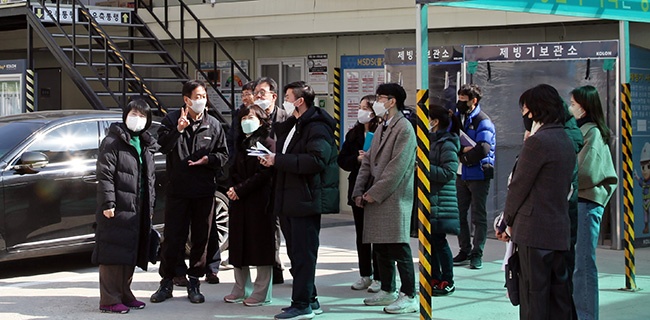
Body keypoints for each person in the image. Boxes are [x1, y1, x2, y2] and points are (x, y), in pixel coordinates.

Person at [260, 81, 339, 320]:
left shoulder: (317, 127)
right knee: (296, 252)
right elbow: (287, 153)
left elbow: (316, 160)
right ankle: (310, 299)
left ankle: (302, 303)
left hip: (305, 198)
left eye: (287, 96)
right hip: (290, 197)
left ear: (299, 101)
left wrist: (278, 160)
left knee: (304, 253)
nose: (284, 100)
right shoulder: (295, 125)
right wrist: (273, 159)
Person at [150, 80, 229, 304]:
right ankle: (167, 281)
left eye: (204, 96)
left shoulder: (213, 124)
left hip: (204, 191)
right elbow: (162, 147)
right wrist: (178, 130)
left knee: (201, 238)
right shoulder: (171, 120)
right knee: (173, 237)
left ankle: (195, 280)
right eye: (198, 96)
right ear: (186, 99)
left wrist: (209, 159)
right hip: (178, 191)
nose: (201, 100)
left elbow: (224, 155)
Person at [501, 84, 576, 320]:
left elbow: (518, 187)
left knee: (534, 298)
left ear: (535, 110)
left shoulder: (537, 142)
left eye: (525, 109)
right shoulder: (565, 139)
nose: (523, 114)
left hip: (534, 233)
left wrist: (506, 221)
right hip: (559, 230)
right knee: (559, 297)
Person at [352, 83, 418, 314]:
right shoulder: (382, 127)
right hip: (376, 197)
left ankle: (409, 294)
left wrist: (374, 193)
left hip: (394, 197)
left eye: (381, 98)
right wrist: (359, 191)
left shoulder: (405, 128)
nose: (377, 103)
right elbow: (368, 161)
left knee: (399, 247)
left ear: (392, 101)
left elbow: (396, 169)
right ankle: (388, 289)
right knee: (380, 246)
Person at [93, 99, 158, 313]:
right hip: (117, 205)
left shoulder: (145, 143)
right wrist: (108, 202)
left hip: (138, 207)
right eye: (134, 113)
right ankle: (109, 299)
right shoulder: (112, 141)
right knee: (113, 251)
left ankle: (125, 293)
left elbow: (149, 179)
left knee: (130, 250)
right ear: (125, 115)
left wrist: (150, 207)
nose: (137, 119)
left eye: (142, 115)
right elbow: (105, 174)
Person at [569, 85, 618, 320]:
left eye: (573, 103)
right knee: (577, 264)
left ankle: (587, 316)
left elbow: (585, 172)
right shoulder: (581, 130)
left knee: (583, 265)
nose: (571, 107)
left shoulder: (592, 133)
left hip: (586, 203)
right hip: (579, 203)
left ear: (584, 106)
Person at [223, 104, 277, 307]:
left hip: (259, 202)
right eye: (244, 117)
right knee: (238, 245)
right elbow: (232, 168)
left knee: (260, 245)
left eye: (251, 117)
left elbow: (264, 175)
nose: (246, 121)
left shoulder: (267, 143)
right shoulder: (240, 143)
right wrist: (231, 188)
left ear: (262, 121)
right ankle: (240, 288)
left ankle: (262, 291)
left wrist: (240, 189)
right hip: (238, 202)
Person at [337, 94, 383, 292]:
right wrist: (356, 159)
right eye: (360, 107)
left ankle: (380, 277)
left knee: (378, 236)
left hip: (377, 187)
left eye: (365, 108)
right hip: (357, 186)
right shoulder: (354, 133)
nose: (361, 111)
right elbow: (342, 159)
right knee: (361, 234)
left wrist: (370, 158)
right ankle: (365, 274)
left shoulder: (382, 131)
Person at [452, 84, 496, 270]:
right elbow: (450, 139)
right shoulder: (456, 118)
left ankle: (477, 253)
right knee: (459, 215)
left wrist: (464, 156)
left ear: (474, 100)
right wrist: (462, 151)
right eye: (459, 99)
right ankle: (465, 250)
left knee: (478, 216)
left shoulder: (482, 121)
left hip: (478, 174)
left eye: (464, 100)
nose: (460, 103)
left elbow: (483, 148)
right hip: (461, 174)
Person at [253, 76, 289, 284]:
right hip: (259, 180)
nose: (258, 96)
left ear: (274, 96)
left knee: (286, 227)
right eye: (256, 93)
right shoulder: (251, 117)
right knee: (267, 227)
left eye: (262, 93)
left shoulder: (285, 119)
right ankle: (272, 268)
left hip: (282, 179)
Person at [427, 105, 461, 297]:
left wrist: (423, 168)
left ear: (435, 121)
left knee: (439, 242)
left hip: (441, 200)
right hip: (432, 200)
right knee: (432, 242)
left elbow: (448, 173)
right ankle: (435, 277)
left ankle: (447, 280)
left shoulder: (447, 143)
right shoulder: (431, 140)